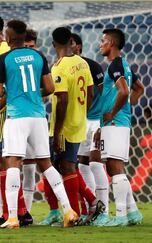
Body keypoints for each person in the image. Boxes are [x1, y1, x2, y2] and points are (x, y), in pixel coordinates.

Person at [0, 20, 78, 229]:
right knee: (46, 164)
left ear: (9, 37)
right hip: (39, 117)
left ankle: (12, 217)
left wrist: (12, 92)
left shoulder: (4, 59)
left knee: (12, 162)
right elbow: (49, 88)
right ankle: (68, 210)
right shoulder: (39, 56)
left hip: (17, 117)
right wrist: (31, 93)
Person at [41, 27, 104, 226]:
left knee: (64, 167)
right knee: (63, 166)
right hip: (80, 122)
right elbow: (91, 92)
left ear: (53, 45)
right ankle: (92, 202)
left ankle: (75, 214)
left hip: (64, 127)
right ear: (71, 41)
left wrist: (58, 130)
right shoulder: (83, 63)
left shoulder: (58, 67)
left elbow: (62, 100)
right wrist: (81, 114)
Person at [0, 14, 31, 228]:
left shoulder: (3, 51)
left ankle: (7, 214)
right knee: (4, 163)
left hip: (3, 111)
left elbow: (10, 87)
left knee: (5, 162)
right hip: (0, 110)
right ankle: (21, 212)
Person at [95, 28, 144, 226]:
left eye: (103, 41)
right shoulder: (124, 65)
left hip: (115, 122)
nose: (100, 44)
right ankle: (132, 213)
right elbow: (138, 89)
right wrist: (123, 111)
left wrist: (114, 113)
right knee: (113, 166)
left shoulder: (116, 65)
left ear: (112, 44)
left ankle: (121, 216)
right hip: (115, 122)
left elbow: (123, 92)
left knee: (115, 167)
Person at [70, 33, 110, 224]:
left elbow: (105, 93)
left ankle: (105, 212)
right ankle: (92, 210)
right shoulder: (63, 65)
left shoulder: (92, 66)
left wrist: (103, 122)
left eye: (70, 44)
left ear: (78, 46)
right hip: (78, 122)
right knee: (83, 163)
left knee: (95, 163)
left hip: (94, 121)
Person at [22, 27, 38, 213]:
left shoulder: (39, 62)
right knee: (10, 165)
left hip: (35, 118)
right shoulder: (12, 62)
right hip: (14, 118)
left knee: (30, 167)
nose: (29, 49)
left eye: (31, 46)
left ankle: (26, 211)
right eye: (25, 45)